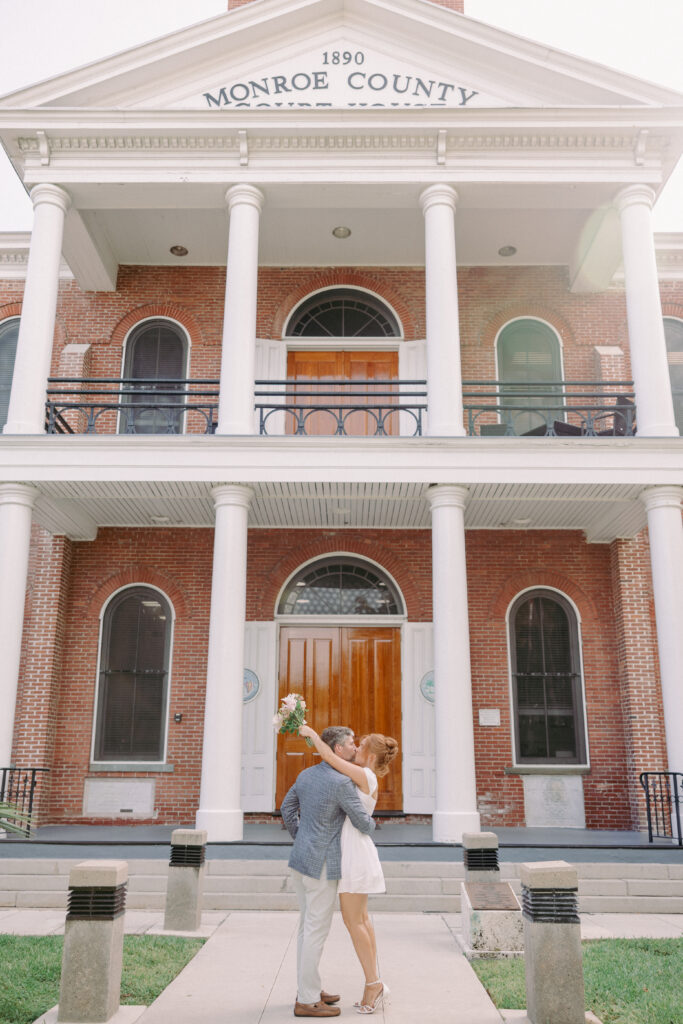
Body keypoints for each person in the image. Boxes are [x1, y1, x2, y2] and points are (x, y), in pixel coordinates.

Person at [299, 724, 398, 1016]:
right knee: (362, 921)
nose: (355, 747)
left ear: (368, 754)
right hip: (355, 851)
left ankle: (373, 983)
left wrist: (311, 734)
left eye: (360, 744)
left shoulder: (365, 775)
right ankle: (374, 980)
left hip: (355, 854)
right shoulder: (364, 775)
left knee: (354, 922)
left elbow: (331, 759)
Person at [280, 725, 376, 1019]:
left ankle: (308, 987)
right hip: (322, 865)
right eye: (351, 743)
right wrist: (373, 823)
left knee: (306, 928)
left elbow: (287, 808)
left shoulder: (305, 774)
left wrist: (301, 836)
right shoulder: (342, 783)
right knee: (315, 931)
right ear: (338, 750)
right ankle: (307, 1000)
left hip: (300, 859)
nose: (355, 747)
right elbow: (363, 823)